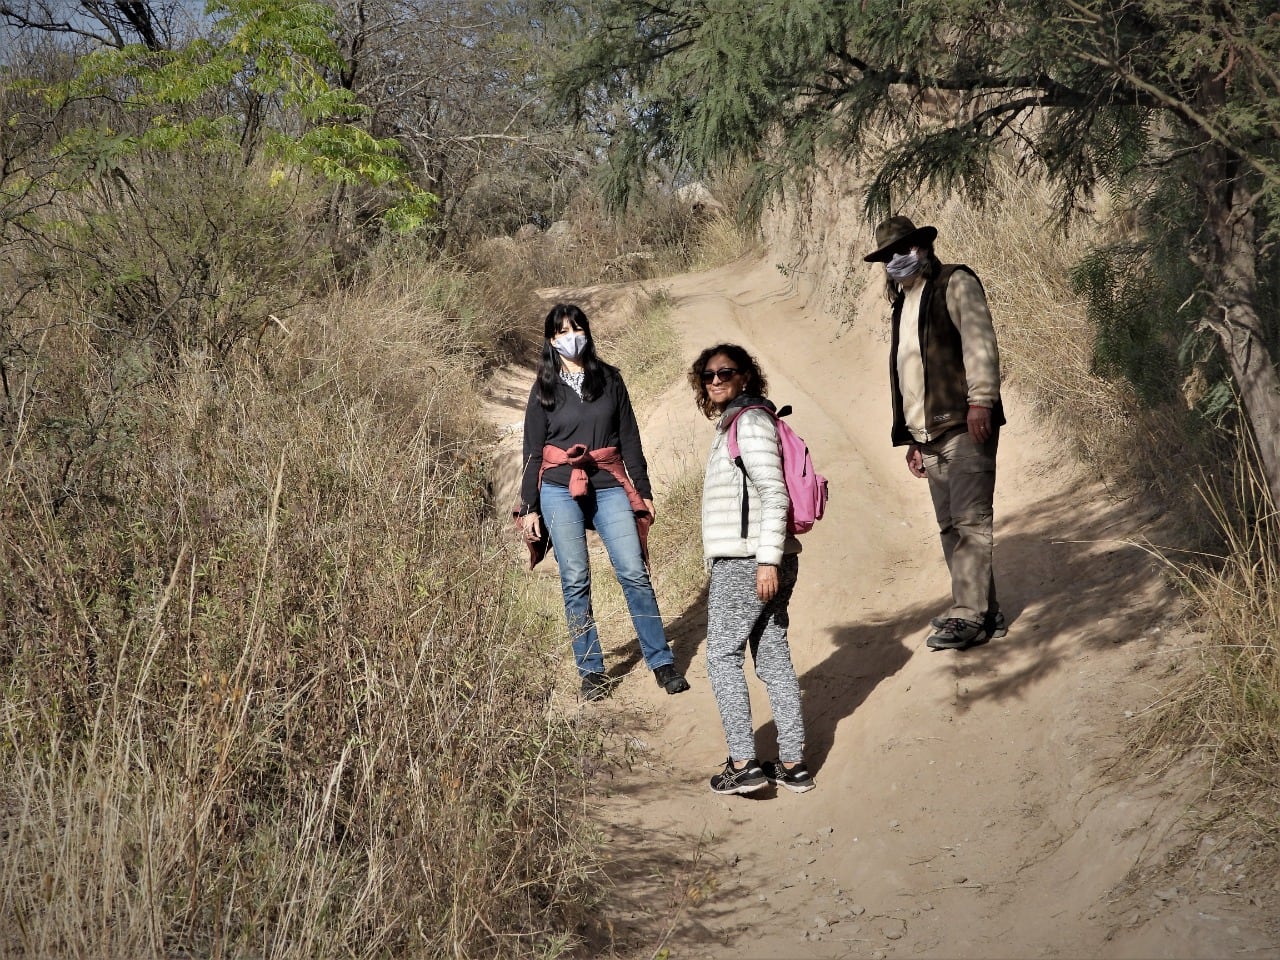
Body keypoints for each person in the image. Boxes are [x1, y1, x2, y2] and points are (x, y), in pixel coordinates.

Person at [518, 303, 689, 701]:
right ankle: (591, 670)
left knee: (633, 571)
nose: (570, 336)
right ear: (551, 340)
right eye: (561, 332)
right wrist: (529, 507)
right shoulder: (543, 387)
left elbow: (629, 437)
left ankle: (661, 661)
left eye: (576, 328)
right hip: (558, 486)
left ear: (587, 331)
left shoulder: (610, 379)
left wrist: (642, 488)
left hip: (609, 482)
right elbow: (532, 450)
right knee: (575, 578)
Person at [863, 216, 1008, 651]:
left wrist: (981, 401)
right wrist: (910, 437)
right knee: (951, 526)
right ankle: (985, 614)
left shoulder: (955, 282)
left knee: (970, 522)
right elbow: (908, 377)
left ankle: (966, 614)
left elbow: (980, 343)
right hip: (927, 432)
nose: (895, 259)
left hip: (964, 422)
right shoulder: (903, 304)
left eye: (902, 249)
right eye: (888, 255)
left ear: (922, 247)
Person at [690, 343, 814, 796]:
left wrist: (766, 561)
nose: (716, 380)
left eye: (726, 372)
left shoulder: (752, 423)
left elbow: (775, 493)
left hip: (749, 560)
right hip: (761, 558)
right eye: (709, 375)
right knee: (772, 656)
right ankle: (793, 763)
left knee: (721, 655)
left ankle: (743, 763)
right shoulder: (738, 422)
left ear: (746, 377)